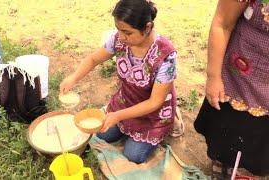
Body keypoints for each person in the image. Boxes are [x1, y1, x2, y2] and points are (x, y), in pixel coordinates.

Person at [60, 0, 180, 163]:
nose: (121, 37)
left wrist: (117, 116)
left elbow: (154, 102)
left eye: (127, 33)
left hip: (153, 115)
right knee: (101, 134)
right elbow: (94, 59)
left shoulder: (166, 56)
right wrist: (73, 78)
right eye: (118, 30)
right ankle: (122, 122)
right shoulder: (119, 40)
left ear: (147, 27)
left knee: (133, 155)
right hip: (126, 102)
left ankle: (170, 121)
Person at [194, 0, 269, 178]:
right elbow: (222, 23)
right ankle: (222, 162)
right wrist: (213, 77)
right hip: (239, 75)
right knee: (229, 129)